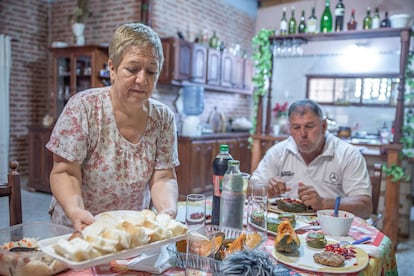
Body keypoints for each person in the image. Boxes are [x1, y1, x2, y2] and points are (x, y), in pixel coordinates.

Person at [46, 23, 179, 230]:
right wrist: (76, 211)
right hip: (78, 227)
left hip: (130, 231)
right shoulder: (84, 108)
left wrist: (167, 209)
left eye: (151, 71)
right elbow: (65, 172)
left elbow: (163, 177)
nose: (142, 79)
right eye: (132, 69)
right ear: (113, 68)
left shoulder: (163, 119)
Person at [250, 99, 372, 218]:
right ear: (289, 128)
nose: (303, 134)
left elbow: (365, 208)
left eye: (309, 126)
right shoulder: (277, 152)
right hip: (284, 226)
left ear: (324, 126)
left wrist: (324, 203)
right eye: (296, 127)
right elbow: (249, 189)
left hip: (331, 230)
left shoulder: (348, 154)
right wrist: (265, 190)